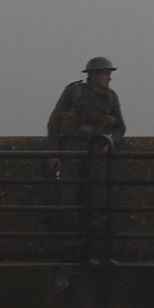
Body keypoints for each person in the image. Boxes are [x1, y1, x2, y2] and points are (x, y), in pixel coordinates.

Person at [47, 56, 127, 255]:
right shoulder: (73, 92)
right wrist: (53, 151)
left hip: (97, 151)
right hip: (72, 149)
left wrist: (112, 143)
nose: (109, 77)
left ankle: (96, 245)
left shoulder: (111, 97)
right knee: (67, 197)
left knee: (99, 199)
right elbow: (54, 122)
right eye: (106, 73)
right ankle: (70, 243)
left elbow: (120, 126)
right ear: (94, 75)